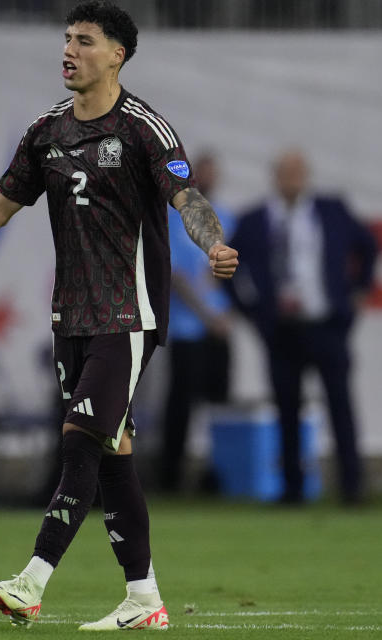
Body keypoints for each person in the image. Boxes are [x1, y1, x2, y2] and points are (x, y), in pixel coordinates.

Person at [0, 1, 238, 630]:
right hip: (70, 317)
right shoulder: (46, 132)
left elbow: (187, 196)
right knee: (115, 455)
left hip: (129, 315)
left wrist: (213, 244)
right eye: (66, 39)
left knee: (80, 441)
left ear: (117, 55)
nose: (69, 51)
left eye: (85, 41)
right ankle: (144, 599)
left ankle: (31, 581)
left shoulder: (144, 129)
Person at [226, 148, 377, 505]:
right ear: (275, 177)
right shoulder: (254, 220)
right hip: (281, 329)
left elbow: (369, 246)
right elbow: (227, 266)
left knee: (340, 404)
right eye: (286, 173)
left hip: (326, 324)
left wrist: (359, 291)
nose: (292, 180)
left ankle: (352, 486)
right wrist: (250, 311)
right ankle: (292, 488)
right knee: (286, 409)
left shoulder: (331, 211)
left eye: (298, 173)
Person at [160, 150, 236, 493]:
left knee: (220, 405)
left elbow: (233, 270)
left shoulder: (228, 218)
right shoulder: (174, 219)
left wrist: (221, 316)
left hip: (218, 327)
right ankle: (172, 475)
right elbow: (177, 276)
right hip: (188, 328)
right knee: (181, 403)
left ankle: (217, 474)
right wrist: (207, 316)